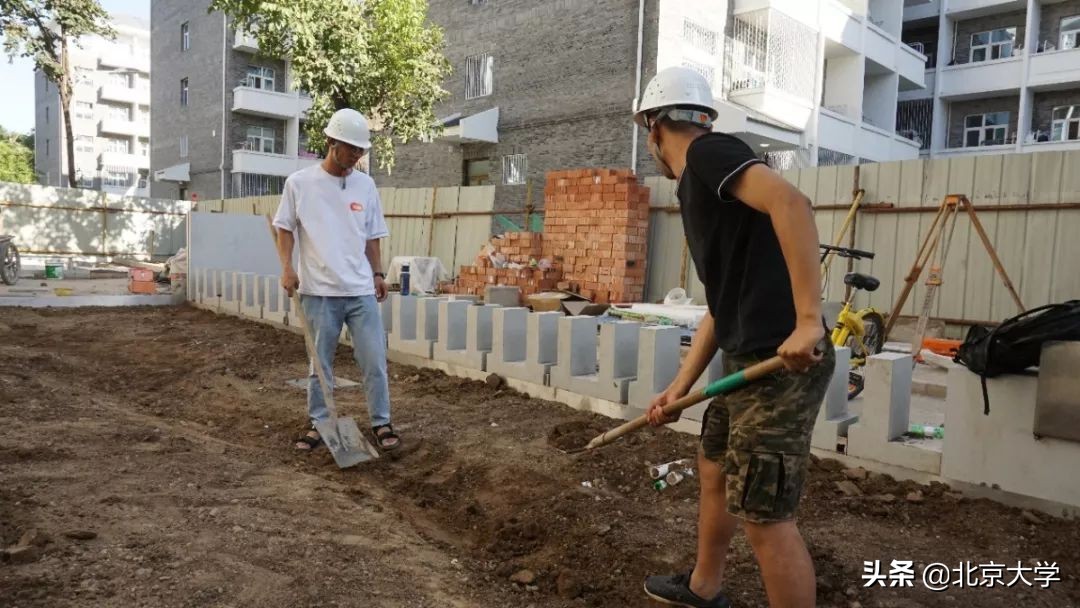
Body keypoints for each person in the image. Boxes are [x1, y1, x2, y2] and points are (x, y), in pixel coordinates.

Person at [634, 67, 836, 608]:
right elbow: (720, 310)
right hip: (746, 356)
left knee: (765, 517)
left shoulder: (707, 155)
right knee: (714, 468)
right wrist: (680, 387)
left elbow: (793, 203)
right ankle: (704, 587)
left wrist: (809, 320)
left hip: (782, 362)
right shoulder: (704, 188)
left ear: (653, 127)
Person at [272, 108, 400, 453]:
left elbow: (372, 235)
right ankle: (320, 422)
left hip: (360, 291)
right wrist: (287, 267)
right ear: (331, 143)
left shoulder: (366, 185)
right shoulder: (299, 184)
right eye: (352, 149)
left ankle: (381, 421)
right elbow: (284, 227)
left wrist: (377, 273)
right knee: (320, 363)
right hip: (319, 292)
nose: (357, 156)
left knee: (374, 359)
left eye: (361, 151)